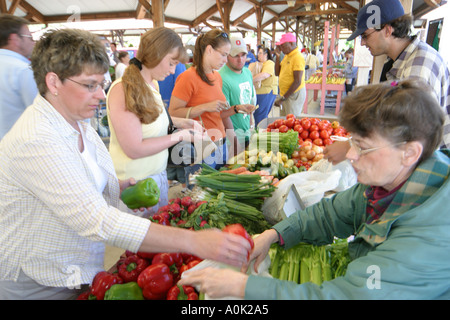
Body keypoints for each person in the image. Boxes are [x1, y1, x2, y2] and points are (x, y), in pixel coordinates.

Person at [0, 28, 252, 300]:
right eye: (90, 85)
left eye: (101, 84)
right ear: (53, 82)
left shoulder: (76, 123)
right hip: (40, 282)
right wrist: (195, 241)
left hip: (76, 270)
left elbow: (75, 181)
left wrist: (114, 187)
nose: (100, 95)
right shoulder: (37, 140)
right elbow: (97, 220)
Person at [180, 79, 450, 300]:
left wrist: (244, 288)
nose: (351, 156)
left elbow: (349, 297)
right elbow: (330, 214)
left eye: (363, 147)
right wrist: (273, 234)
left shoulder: (430, 236)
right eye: (352, 143)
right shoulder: (387, 185)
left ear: (409, 152)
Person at [325, 0, 450, 164]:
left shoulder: (418, 65)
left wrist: (352, 146)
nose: (362, 43)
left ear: (387, 30)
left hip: (428, 165)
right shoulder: (397, 62)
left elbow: (408, 127)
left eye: (365, 35)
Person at [106, 27, 204, 217]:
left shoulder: (152, 84)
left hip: (157, 176)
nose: (173, 70)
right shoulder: (123, 89)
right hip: (135, 184)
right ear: (156, 54)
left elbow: (150, 121)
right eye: (171, 62)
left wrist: (183, 123)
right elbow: (134, 148)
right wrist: (179, 136)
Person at [169, 29, 236, 183]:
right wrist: (205, 107)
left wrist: (237, 109)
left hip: (221, 143)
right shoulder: (187, 77)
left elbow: (217, 113)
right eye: (224, 54)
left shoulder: (217, 76)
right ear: (209, 50)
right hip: (202, 146)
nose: (226, 60)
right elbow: (172, 114)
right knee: (201, 194)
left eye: (228, 55)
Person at [0, 14, 38, 140]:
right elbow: (39, 113)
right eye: (30, 37)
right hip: (16, 148)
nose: (33, 42)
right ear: (15, 39)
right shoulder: (23, 70)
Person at [219, 37, 256, 152]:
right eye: (235, 55)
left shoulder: (247, 72)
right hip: (232, 139)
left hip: (247, 133)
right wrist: (235, 143)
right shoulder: (221, 78)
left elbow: (249, 101)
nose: (240, 60)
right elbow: (223, 114)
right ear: (227, 56)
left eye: (243, 55)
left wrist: (250, 123)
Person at [158, 62, 187, 191]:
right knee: (180, 154)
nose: (172, 70)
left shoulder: (152, 80)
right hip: (172, 114)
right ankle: (184, 186)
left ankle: (168, 181)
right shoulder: (179, 66)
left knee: (168, 151)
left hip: (164, 113)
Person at [273, 32, 306, 117]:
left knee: (291, 121)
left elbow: (297, 81)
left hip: (293, 95)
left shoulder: (297, 57)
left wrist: (283, 98)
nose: (281, 49)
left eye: (283, 46)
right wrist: (277, 57)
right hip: (286, 94)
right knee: (284, 121)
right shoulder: (287, 55)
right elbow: (277, 73)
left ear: (291, 44)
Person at [249, 46, 278, 127]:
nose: (258, 55)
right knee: (257, 115)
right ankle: (259, 133)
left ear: (266, 55)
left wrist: (249, 80)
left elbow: (264, 75)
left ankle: (261, 135)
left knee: (260, 116)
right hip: (259, 93)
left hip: (267, 92)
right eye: (258, 53)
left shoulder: (269, 63)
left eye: (260, 53)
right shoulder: (258, 64)